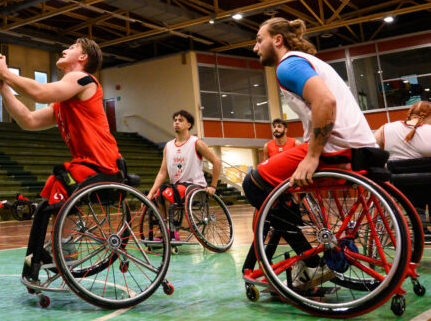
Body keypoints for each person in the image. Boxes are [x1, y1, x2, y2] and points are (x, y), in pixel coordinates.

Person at [242, 17, 376, 288]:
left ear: (277, 40)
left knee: (253, 184)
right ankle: (298, 237)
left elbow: (325, 101)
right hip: (359, 146)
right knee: (281, 204)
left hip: (337, 148)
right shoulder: (303, 62)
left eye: (259, 40)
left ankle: (312, 264)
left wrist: (312, 155)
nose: (255, 48)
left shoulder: (288, 65)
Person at [0, 38, 122, 283]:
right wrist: (3, 87)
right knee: (54, 190)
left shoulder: (81, 79)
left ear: (83, 58)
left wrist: (6, 73)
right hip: (87, 165)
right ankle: (59, 248)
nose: (64, 49)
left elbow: (40, 92)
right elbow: (29, 120)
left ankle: (64, 249)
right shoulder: (65, 101)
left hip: (102, 163)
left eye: (72, 48)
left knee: (61, 180)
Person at [147, 110, 222, 239]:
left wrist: (213, 186)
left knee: (166, 194)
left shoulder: (196, 143)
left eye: (180, 120)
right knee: (158, 194)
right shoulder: (168, 146)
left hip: (194, 186)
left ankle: (171, 232)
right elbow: (162, 172)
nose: (176, 122)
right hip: (176, 187)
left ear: (189, 125)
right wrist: (149, 194)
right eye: (175, 120)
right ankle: (165, 230)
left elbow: (216, 162)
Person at [374, 100, 431, 225]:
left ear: (410, 113)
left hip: (401, 190)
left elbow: (371, 150)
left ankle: (417, 215)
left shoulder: (386, 129)